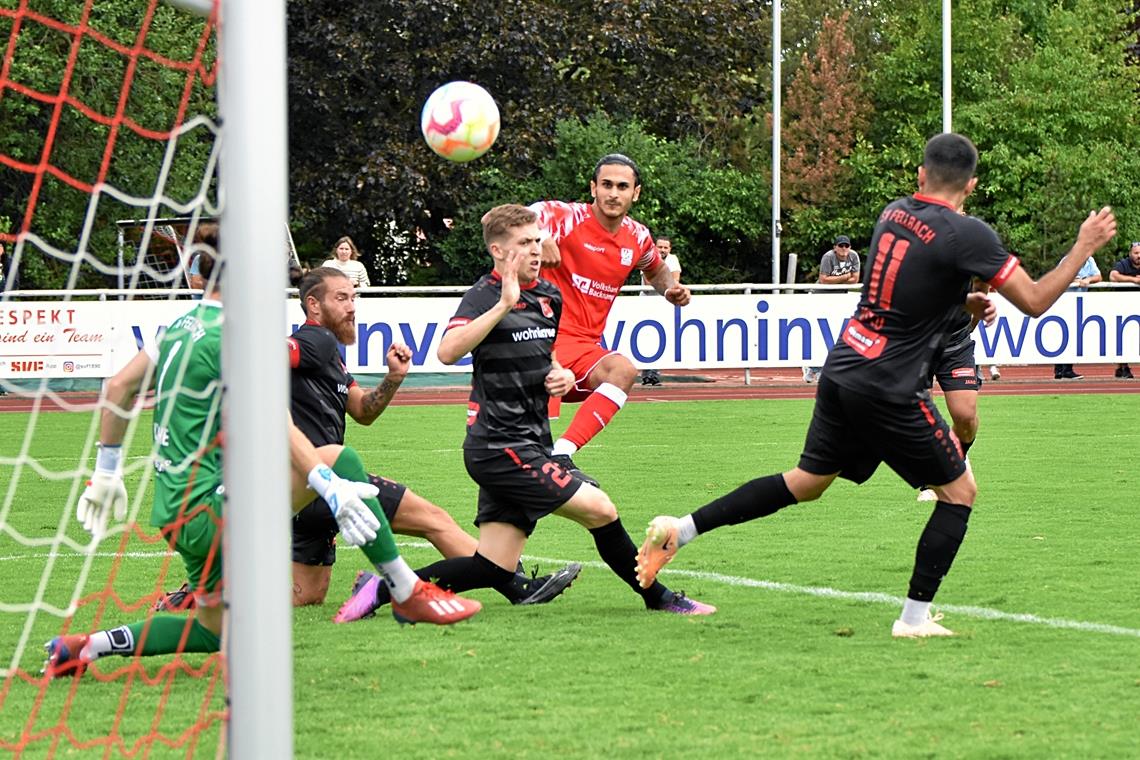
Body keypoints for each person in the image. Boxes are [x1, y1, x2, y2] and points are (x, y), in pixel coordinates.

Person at [634, 133, 1117, 638]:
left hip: (844, 367)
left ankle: (680, 530)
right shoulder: (969, 234)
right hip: (889, 385)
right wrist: (1083, 245)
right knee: (959, 493)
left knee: (806, 482)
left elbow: (908, 291)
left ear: (920, 176)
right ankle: (913, 619)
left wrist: (961, 305)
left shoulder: (894, 213)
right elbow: (1035, 300)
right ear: (971, 185)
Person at [44, 237, 480, 678]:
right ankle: (405, 589)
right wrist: (327, 483)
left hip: (173, 514)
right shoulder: (236, 336)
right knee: (338, 458)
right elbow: (277, 422)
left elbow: (118, 388)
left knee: (217, 632)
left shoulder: (176, 329)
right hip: (216, 507)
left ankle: (84, 647)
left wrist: (105, 474)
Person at [333, 204, 714, 622]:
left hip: (528, 441)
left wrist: (560, 376)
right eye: (524, 244)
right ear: (498, 250)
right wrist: (503, 303)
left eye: (537, 240)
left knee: (492, 566)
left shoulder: (549, 296)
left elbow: (545, 357)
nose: (536, 250)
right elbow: (446, 350)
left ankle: (379, 588)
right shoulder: (483, 294)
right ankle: (658, 597)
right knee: (601, 509)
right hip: (500, 445)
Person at [282, 266, 579, 611]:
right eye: (341, 298)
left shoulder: (328, 354)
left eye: (353, 297)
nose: (352, 306)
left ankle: (221, 603)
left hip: (305, 492)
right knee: (433, 520)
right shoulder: (313, 340)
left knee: (307, 597)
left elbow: (363, 411)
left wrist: (394, 377)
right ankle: (518, 586)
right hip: (325, 477)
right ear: (313, 305)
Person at [529, 154, 690, 485]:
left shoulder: (638, 236)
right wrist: (539, 236)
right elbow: (518, 216)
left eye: (622, 186)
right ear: (593, 188)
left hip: (582, 349)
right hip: (537, 342)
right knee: (516, 455)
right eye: (606, 185)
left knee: (623, 370)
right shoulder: (565, 218)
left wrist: (669, 289)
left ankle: (562, 455)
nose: (613, 193)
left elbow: (655, 269)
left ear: (636, 193)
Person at [916, 278, 989, 502]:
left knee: (965, 417)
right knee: (921, 417)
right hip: (917, 344)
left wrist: (971, 323)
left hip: (957, 343)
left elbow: (982, 285)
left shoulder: (969, 249)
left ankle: (959, 456)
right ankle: (934, 479)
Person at [804, 235, 861, 383]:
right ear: (835, 247)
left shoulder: (853, 256)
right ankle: (813, 367)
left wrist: (837, 279)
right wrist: (845, 277)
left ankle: (823, 368)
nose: (844, 249)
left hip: (838, 299)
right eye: (841, 246)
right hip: (821, 298)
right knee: (819, 334)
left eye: (846, 246)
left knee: (837, 335)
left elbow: (855, 279)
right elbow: (823, 280)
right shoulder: (828, 257)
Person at [639, 235, 682, 386]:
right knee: (645, 337)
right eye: (660, 247)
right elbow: (648, 280)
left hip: (663, 304)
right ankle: (646, 374)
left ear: (669, 249)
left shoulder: (673, 259)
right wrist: (666, 281)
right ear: (655, 247)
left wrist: (665, 282)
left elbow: (675, 281)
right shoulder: (649, 257)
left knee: (660, 338)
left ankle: (655, 374)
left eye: (665, 247)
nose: (662, 250)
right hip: (647, 304)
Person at [1053, 255, 1101, 380]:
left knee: (1073, 336)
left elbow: (1098, 276)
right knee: (1062, 335)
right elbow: (1056, 277)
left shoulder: (1089, 260)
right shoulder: (1068, 260)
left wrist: (1088, 280)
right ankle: (1060, 369)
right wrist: (1073, 279)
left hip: (1078, 305)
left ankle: (1066, 369)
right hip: (1064, 302)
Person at [1108, 242, 1140, 379]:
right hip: (1122, 307)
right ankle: (1122, 367)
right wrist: (1134, 280)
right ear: (1130, 254)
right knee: (1122, 338)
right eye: (1136, 253)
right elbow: (1113, 276)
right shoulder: (1123, 264)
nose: (1139, 256)